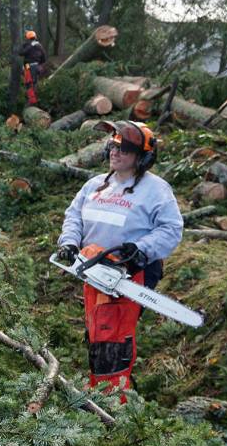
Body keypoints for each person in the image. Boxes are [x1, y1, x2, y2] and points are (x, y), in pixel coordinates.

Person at [56, 120, 183, 399]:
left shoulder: (156, 190)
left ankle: (113, 404)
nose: (117, 152)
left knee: (113, 340)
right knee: (97, 335)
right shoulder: (95, 185)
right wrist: (68, 243)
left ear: (143, 157)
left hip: (130, 272)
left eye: (125, 148)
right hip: (93, 270)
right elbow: (74, 216)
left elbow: (171, 230)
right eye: (114, 146)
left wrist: (140, 248)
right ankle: (102, 395)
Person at [18, 30, 46, 105]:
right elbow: (44, 58)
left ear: (27, 38)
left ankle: (32, 101)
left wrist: (25, 45)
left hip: (29, 66)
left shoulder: (29, 46)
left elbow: (21, 53)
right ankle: (35, 99)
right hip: (36, 66)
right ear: (35, 37)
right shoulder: (39, 45)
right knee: (34, 83)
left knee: (29, 83)